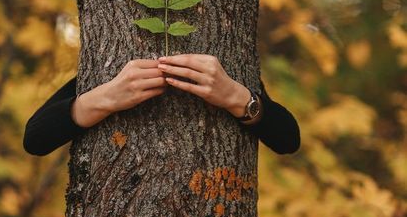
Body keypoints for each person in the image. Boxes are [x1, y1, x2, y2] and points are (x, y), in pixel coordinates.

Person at [23, 53, 301, 157]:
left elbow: (288, 138)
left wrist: (237, 97)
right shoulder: (106, 66)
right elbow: (35, 138)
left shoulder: (230, 64)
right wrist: (104, 98)